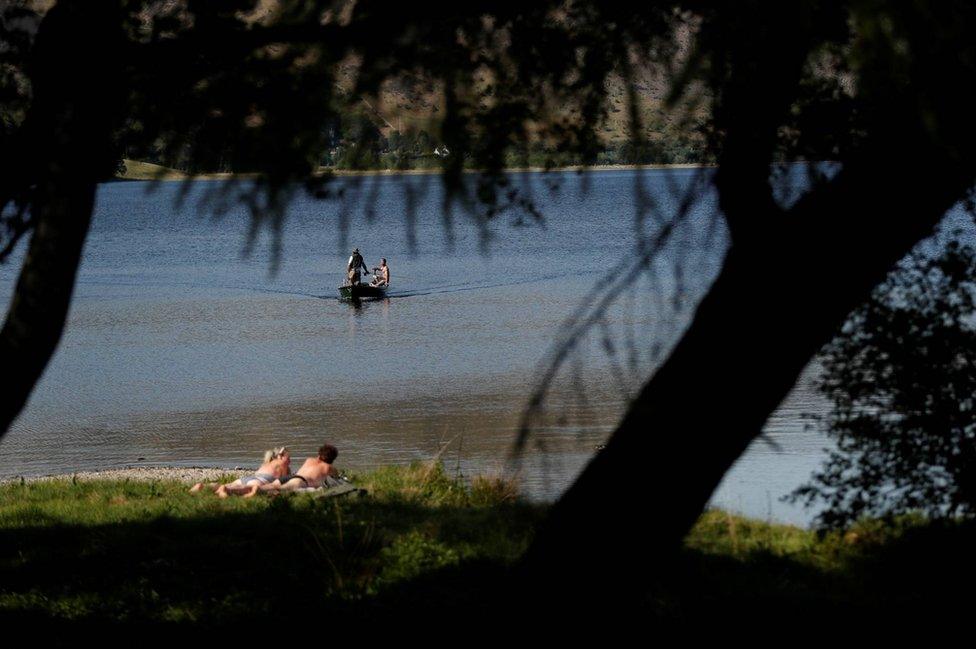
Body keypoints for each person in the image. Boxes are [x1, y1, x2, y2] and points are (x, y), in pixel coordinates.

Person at [244, 443, 341, 496]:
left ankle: (240, 490)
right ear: (332, 459)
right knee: (280, 489)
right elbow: (337, 477)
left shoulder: (309, 460)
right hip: (300, 481)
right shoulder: (328, 467)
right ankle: (257, 491)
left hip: (290, 477)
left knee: (271, 486)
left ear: (319, 454)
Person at [189, 447, 290, 497]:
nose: (289, 459)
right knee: (243, 489)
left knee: (228, 484)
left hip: (246, 478)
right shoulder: (281, 463)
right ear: (279, 456)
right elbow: (285, 480)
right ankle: (227, 492)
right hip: (261, 480)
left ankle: (204, 486)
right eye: (286, 456)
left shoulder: (266, 463)